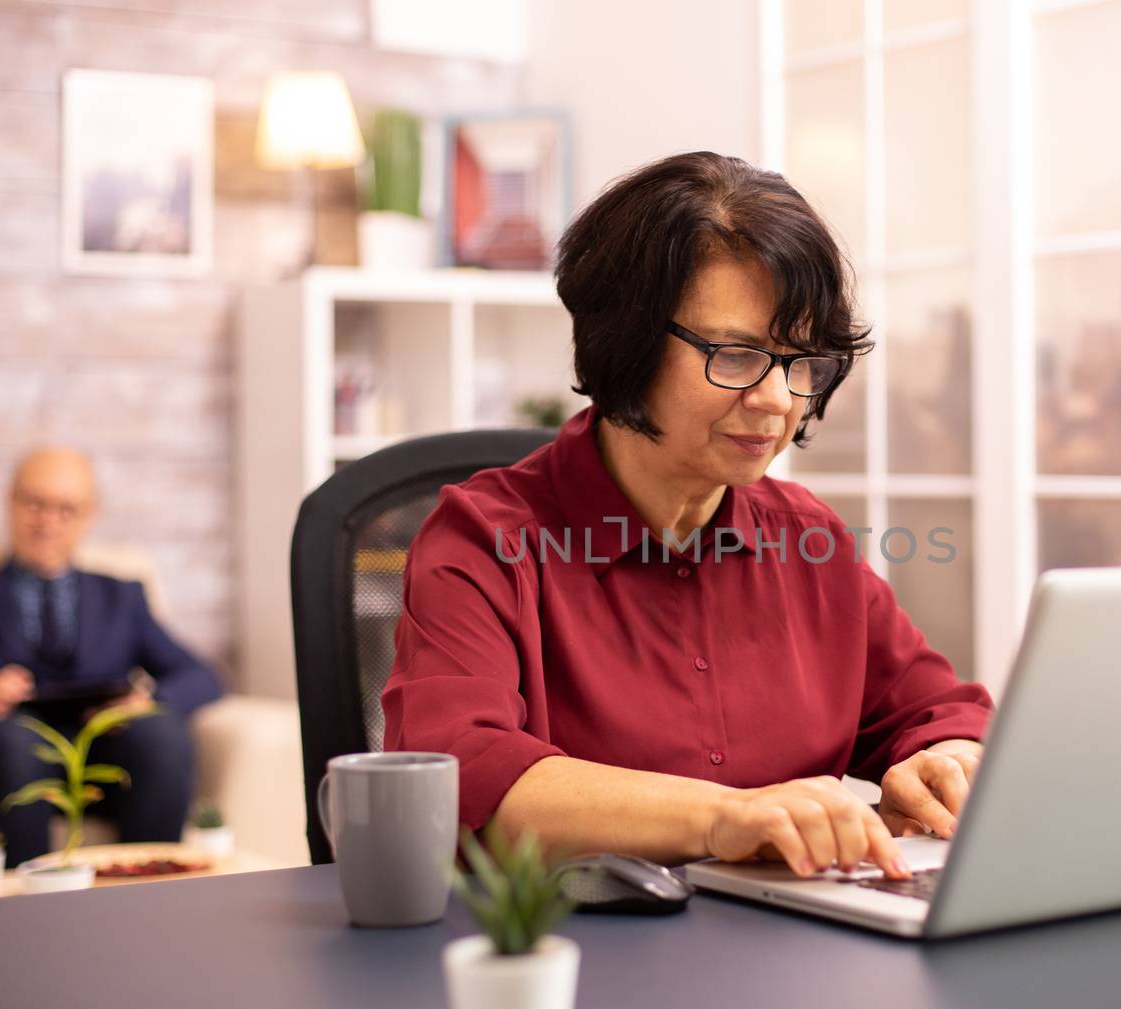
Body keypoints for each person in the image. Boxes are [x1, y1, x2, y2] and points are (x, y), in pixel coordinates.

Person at [384, 152, 991, 881]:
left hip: (802, 958)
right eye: (736, 355)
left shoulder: (811, 540)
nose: (776, 399)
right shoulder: (484, 542)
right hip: (578, 967)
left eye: (800, 360)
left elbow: (940, 712)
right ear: (627, 343)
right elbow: (461, 779)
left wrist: (948, 758)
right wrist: (727, 816)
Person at [0, 448, 222, 867]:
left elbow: (201, 676)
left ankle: (150, 896)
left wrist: (147, 700)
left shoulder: (121, 596)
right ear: (10, 502)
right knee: (12, 741)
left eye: (66, 509)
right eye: (35, 504)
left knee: (160, 733)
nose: (48, 522)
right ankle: (32, 915)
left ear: (88, 516)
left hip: (101, 766)